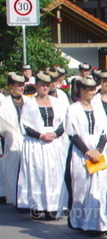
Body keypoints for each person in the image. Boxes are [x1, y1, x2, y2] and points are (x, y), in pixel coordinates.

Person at [64, 75, 107, 234]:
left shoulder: (98, 108)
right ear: (82, 90)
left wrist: (98, 150)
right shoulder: (73, 109)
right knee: (82, 188)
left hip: (98, 154)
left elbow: (105, 132)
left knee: (100, 188)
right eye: (89, 89)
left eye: (94, 89)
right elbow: (72, 134)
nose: (92, 92)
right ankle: (81, 221)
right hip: (81, 154)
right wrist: (87, 151)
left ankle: (98, 223)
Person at [19, 71, 69, 219]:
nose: (44, 88)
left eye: (47, 86)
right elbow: (25, 126)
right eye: (42, 86)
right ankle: (39, 205)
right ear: (36, 86)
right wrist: (40, 135)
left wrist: (55, 134)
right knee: (39, 175)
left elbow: (63, 123)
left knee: (55, 175)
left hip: (54, 144)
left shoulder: (57, 103)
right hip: (37, 144)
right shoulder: (29, 104)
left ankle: (54, 206)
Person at [0, 72, 28, 205]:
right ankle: (16, 199)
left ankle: (27, 198)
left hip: (28, 139)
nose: (21, 88)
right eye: (18, 85)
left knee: (29, 170)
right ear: (11, 86)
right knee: (14, 170)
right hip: (13, 141)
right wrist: (11, 132)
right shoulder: (4, 103)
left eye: (23, 85)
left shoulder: (29, 101)